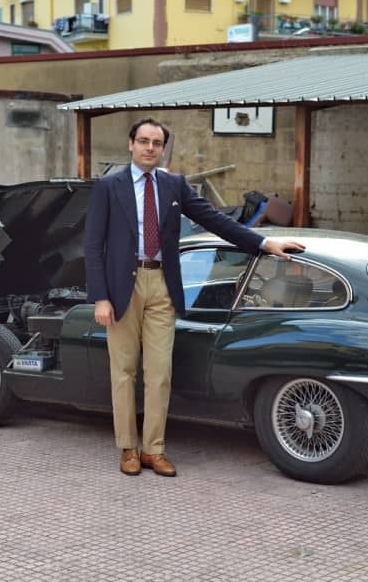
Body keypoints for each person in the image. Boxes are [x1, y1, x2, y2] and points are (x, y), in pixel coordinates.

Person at [84, 117, 306, 477]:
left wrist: (265, 242)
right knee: (123, 372)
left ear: (162, 148)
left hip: (162, 286)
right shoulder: (109, 186)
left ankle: (153, 450)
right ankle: (128, 447)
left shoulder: (174, 185)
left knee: (160, 373)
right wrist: (100, 298)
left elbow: (216, 220)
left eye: (156, 143)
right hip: (122, 288)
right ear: (130, 145)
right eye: (143, 141)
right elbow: (93, 246)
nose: (150, 148)